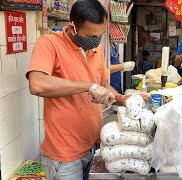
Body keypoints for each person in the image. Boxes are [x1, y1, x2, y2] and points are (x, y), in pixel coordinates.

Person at [26, 0, 118, 179]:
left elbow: (105, 85)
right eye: (91, 36)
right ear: (73, 27)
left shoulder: (96, 48)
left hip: (93, 147)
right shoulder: (49, 43)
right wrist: (88, 86)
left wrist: (123, 99)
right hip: (65, 156)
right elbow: (37, 84)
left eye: (100, 35)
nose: (96, 41)